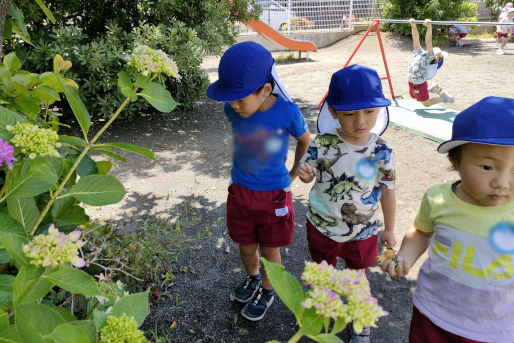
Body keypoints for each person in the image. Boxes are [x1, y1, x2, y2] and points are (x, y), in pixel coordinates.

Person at [381, 96, 514, 343]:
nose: (502, 182)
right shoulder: (438, 198)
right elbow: (421, 232)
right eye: (487, 167)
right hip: (433, 313)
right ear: (455, 162)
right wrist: (405, 256)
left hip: (495, 328)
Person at [206, 41, 311, 321]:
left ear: (265, 90)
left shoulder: (287, 112)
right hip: (240, 192)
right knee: (245, 245)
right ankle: (252, 278)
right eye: (231, 99)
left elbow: (304, 139)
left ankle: (268, 288)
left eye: (240, 98)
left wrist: (293, 170)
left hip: (273, 196)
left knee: (270, 249)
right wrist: (238, 104)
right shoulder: (233, 110)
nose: (233, 105)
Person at [296, 65, 397, 343]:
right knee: (323, 274)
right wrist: (305, 175)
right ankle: (322, 313)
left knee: (358, 276)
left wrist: (389, 229)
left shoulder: (382, 151)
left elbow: (388, 191)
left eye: (369, 112)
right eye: (350, 113)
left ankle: (359, 319)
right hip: (322, 225)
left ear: (379, 111)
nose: (360, 121)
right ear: (333, 111)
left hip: (363, 230)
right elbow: (309, 174)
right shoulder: (323, 143)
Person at [408, 19, 454, 107]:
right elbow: (415, 39)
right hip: (411, 81)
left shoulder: (428, 57)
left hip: (419, 84)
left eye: (438, 52)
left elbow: (428, 41)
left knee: (426, 103)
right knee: (414, 96)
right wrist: (413, 26)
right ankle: (431, 89)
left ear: (436, 57)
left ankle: (444, 98)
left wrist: (429, 27)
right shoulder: (420, 52)